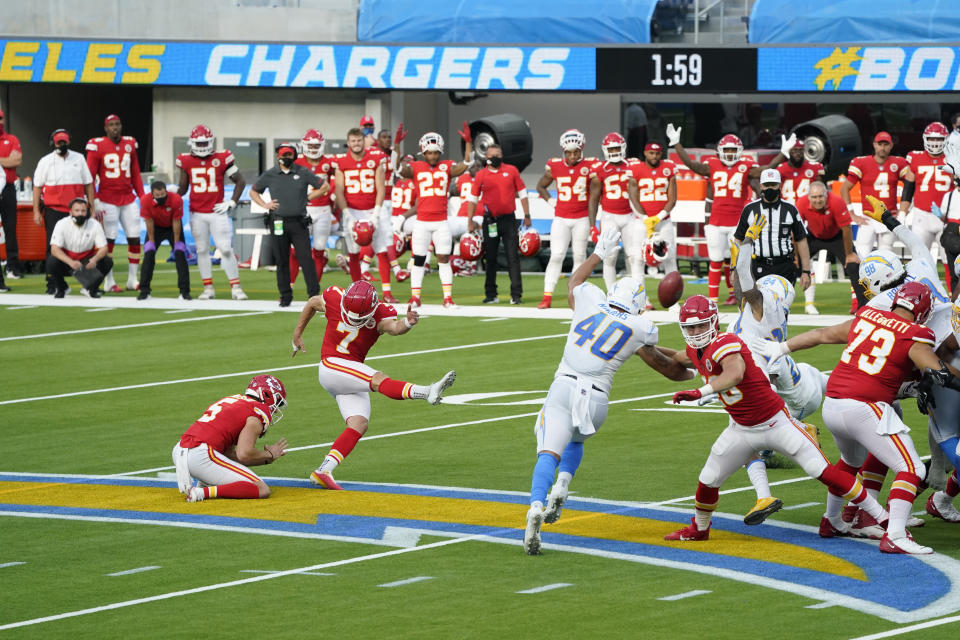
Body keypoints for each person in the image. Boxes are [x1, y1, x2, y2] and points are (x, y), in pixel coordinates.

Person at [663, 294, 890, 545]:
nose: (696, 332)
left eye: (701, 325)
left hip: (775, 423)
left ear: (714, 322)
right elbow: (676, 357)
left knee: (823, 471)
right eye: (690, 327)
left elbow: (735, 373)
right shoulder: (695, 350)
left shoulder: (725, 341)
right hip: (741, 429)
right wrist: (642, 348)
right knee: (708, 479)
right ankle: (700, 528)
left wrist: (700, 392)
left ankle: (884, 519)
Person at [523, 228, 695, 555]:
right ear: (639, 305)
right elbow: (664, 364)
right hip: (596, 401)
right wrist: (697, 368)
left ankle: (535, 505)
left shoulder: (589, 301)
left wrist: (599, 254)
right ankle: (563, 485)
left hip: (564, 387)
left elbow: (573, 283)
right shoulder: (638, 328)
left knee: (548, 452)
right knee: (576, 439)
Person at [750, 282, 944, 554]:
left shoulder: (866, 315)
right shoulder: (917, 332)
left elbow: (820, 334)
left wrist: (782, 348)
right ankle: (896, 535)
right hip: (863, 407)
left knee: (850, 462)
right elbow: (937, 371)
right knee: (912, 468)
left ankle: (832, 520)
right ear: (923, 312)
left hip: (833, 403)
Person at [291, 280, 457, 490]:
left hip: (347, 375)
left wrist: (408, 323)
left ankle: (324, 470)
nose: (352, 320)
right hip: (331, 365)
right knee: (378, 379)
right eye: (348, 315)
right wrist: (297, 333)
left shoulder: (380, 312)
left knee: (359, 424)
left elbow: (395, 328)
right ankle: (426, 392)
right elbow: (313, 303)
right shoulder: (335, 296)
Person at [730, 215, 829, 523]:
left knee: (749, 434)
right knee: (755, 435)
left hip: (790, 393)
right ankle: (791, 439)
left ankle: (800, 436)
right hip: (799, 383)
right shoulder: (769, 314)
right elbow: (739, 285)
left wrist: (747, 242)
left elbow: (745, 282)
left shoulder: (761, 309)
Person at [667, 125, 793, 305]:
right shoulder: (712, 164)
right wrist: (677, 144)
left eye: (733, 149)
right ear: (720, 151)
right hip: (716, 221)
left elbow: (765, 170)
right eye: (727, 150)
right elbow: (692, 165)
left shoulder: (746, 165)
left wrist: (783, 153)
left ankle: (734, 294)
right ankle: (713, 298)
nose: (730, 153)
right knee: (716, 260)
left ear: (740, 151)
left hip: (737, 222)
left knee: (735, 261)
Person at [172, 375, 289, 502]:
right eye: (277, 402)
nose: (276, 409)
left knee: (227, 470)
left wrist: (266, 458)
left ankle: (206, 484)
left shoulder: (234, 399)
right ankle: (200, 492)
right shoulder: (259, 410)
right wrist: (269, 453)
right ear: (266, 394)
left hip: (180, 450)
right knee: (262, 489)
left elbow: (230, 456)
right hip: (201, 454)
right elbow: (244, 454)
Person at [400, 124, 473, 307]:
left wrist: (469, 144)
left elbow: (465, 166)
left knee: (443, 259)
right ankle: (415, 297)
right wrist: (396, 147)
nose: (433, 156)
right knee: (418, 259)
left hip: (441, 222)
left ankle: (447, 297)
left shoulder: (446, 166)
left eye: (435, 152)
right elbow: (399, 170)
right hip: (422, 222)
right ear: (423, 152)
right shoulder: (416, 167)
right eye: (429, 152)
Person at [249, 143, 327, 307]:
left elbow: (324, 186)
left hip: (299, 222)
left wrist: (308, 198)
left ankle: (313, 294)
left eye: (289, 155)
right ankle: (285, 296)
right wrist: (265, 205)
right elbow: (253, 191)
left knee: (306, 258)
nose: (286, 158)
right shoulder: (270, 174)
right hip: (278, 221)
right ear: (278, 156)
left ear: (294, 156)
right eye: (283, 155)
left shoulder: (302, 171)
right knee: (281, 259)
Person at [176, 124, 247, 301]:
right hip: (197, 213)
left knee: (225, 249)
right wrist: (169, 200)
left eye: (204, 143)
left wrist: (232, 201)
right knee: (201, 250)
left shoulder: (222, 158)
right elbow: (183, 188)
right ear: (192, 143)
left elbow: (240, 181)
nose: (201, 147)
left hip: (217, 212)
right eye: (198, 144)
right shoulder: (186, 161)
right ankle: (208, 288)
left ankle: (236, 287)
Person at [535, 129, 593, 309]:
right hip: (561, 217)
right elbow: (541, 186)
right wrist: (552, 202)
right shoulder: (555, 165)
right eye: (569, 152)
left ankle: (576, 296)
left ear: (582, 149)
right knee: (557, 255)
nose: (573, 155)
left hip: (581, 217)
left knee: (579, 256)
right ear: (563, 151)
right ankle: (547, 296)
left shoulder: (590, 166)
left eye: (576, 152)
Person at [86, 114, 145, 293]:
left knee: (135, 237)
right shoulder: (97, 145)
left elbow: (135, 173)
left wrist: (142, 196)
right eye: (111, 125)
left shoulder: (129, 144)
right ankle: (109, 281)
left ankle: (132, 279)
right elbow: (88, 176)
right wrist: (94, 200)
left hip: (128, 197)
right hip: (107, 199)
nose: (115, 128)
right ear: (105, 128)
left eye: (118, 124)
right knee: (108, 240)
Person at [33, 129, 96, 295]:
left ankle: (87, 284)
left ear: (69, 142)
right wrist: (36, 212)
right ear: (53, 143)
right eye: (59, 142)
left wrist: (91, 206)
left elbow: (88, 183)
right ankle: (52, 283)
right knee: (53, 246)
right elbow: (37, 186)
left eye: (64, 142)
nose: (62, 145)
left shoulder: (79, 158)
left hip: (77, 211)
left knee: (84, 245)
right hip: (54, 209)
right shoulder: (45, 161)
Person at [467, 143, 530, 305]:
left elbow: (523, 193)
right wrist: (470, 220)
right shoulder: (481, 175)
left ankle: (516, 295)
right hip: (490, 220)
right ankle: (490, 294)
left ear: (502, 156)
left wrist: (527, 215)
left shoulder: (511, 171)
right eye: (491, 155)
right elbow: (473, 199)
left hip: (509, 219)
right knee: (491, 258)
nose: (495, 158)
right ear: (486, 158)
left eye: (498, 155)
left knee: (512, 257)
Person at [733, 168, 812, 290]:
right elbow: (738, 239)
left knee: (782, 306)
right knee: (759, 306)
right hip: (759, 265)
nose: (769, 188)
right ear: (761, 185)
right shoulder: (750, 209)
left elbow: (801, 240)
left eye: (773, 185)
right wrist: (734, 268)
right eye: (766, 185)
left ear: (779, 185)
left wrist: (806, 271)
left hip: (785, 265)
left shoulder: (790, 209)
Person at [795, 181, 865, 314]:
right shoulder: (801, 203)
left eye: (820, 196)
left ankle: (862, 306)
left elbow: (846, 229)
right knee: (791, 265)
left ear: (826, 195)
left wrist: (849, 254)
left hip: (836, 236)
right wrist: (795, 256)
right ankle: (781, 302)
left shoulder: (837, 202)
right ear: (809, 197)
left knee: (854, 266)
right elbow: (795, 231)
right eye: (814, 197)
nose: (818, 200)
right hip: (813, 236)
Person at [333, 127, 388, 286]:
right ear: (348, 143)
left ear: (363, 141)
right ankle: (356, 290)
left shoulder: (375, 159)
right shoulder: (342, 163)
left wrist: (376, 213)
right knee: (354, 252)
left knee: (381, 250)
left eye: (358, 140)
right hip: (352, 211)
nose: (356, 143)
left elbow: (381, 188)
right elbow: (339, 191)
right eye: (353, 141)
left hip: (372, 209)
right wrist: (347, 214)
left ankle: (387, 292)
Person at [841, 131, 908, 258]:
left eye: (886, 144)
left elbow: (911, 184)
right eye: (880, 144)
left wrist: (904, 210)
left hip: (889, 215)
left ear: (891, 145)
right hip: (868, 217)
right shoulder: (862, 163)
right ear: (874, 145)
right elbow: (844, 188)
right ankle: (862, 278)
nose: (882, 147)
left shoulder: (898, 163)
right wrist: (852, 214)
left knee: (886, 255)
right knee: (862, 253)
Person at [587, 132, 640, 291]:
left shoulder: (633, 165)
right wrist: (592, 225)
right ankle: (611, 293)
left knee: (634, 257)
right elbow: (594, 199)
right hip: (609, 216)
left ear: (623, 148)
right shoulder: (599, 170)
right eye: (611, 149)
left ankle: (635, 292)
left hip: (630, 216)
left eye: (617, 148)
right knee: (609, 257)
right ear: (605, 150)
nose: (614, 152)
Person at [900, 122, 952, 271]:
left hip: (945, 217)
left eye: (939, 139)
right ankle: (921, 293)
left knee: (950, 258)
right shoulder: (915, 158)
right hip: (921, 216)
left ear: (946, 139)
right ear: (925, 139)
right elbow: (908, 188)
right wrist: (902, 212)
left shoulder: (954, 158)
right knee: (919, 259)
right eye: (931, 139)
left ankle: (953, 294)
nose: (935, 143)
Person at [290, 129, 337, 289]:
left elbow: (337, 180)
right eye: (311, 145)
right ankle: (289, 286)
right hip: (302, 210)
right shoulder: (296, 163)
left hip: (323, 210)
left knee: (318, 250)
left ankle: (314, 288)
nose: (314, 148)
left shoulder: (329, 163)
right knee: (295, 251)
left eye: (316, 145)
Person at [630, 141, 679, 279]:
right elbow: (633, 198)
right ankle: (640, 297)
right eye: (651, 153)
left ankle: (673, 300)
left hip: (663, 221)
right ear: (645, 153)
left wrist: (659, 216)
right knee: (638, 259)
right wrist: (646, 219)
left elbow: (672, 199)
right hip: (641, 222)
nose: (654, 156)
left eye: (657, 153)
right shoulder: (636, 169)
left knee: (670, 257)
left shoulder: (668, 168)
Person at [46, 198, 112, 298]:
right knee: (51, 261)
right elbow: (54, 249)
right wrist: (70, 262)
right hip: (67, 263)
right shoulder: (61, 224)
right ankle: (62, 288)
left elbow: (104, 248)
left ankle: (90, 288)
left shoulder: (95, 224)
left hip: (86, 262)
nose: (80, 214)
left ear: (87, 212)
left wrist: (94, 259)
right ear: (70, 212)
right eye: (77, 211)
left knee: (107, 261)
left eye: (83, 211)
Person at [137, 181, 190, 301]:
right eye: (157, 195)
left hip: (172, 226)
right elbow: (148, 221)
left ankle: (184, 291)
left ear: (166, 191)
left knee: (180, 254)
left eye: (163, 195)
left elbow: (176, 221)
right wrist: (151, 241)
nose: (160, 197)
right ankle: (144, 290)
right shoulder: (145, 201)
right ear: (152, 194)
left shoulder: (176, 199)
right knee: (149, 254)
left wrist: (176, 243)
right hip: (155, 228)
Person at [0, 108, 23, 281]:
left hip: (7, 187)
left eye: (0, 119)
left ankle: (13, 267)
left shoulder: (11, 139)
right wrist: (5, 159)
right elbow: (9, 160)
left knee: (10, 228)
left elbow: (16, 160)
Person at [776, 136, 825, 203]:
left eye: (800, 150)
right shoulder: (781, 169)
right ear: (789, 152)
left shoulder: (815, 167)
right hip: (787, 208)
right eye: (795, 150)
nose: (798, 153)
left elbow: (821, 191)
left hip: (807, 208)